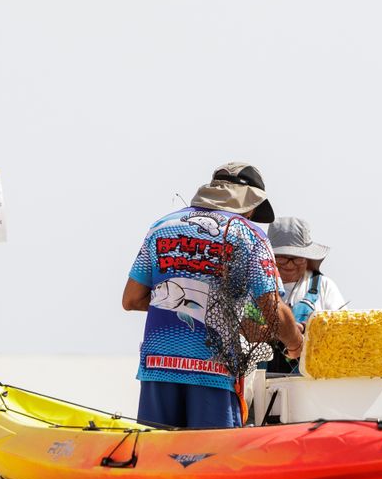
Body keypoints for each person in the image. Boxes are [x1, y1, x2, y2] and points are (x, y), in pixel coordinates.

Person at [121, 162, 304, 429]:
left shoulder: (162, 226)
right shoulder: (248, 234)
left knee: (156, 454)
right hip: (212, 372)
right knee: (213, 458)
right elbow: (272, 308)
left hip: (157, 366)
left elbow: (132, 299)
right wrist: (295, 343)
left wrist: (186, 302)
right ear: (250, 205)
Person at [260, 217, 345, 373]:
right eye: (283, 258)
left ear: (307, 258)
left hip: (309, 384)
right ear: (270, 257)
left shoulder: (324, 286)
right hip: (260, 384)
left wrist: (310, 328)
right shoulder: (257, 285)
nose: (290, 264)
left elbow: (343, 330)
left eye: (297, 258)